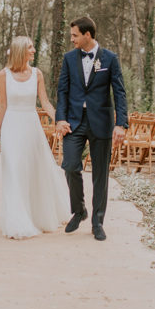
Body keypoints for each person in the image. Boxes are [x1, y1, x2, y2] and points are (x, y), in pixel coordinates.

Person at [55, 16, 128, 241]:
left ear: (88, 35)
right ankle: (79, 211)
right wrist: (60, 119)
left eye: (75, 35)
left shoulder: (110, 59)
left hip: (101, 122)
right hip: (74, 121)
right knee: (69, 164)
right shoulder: (68, 59)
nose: (72, 39)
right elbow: (62, 91)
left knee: (100, 174)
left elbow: (119, 92)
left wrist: (121, 123)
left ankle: (98, 221)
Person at [0, 36, 71, 239]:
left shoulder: (37, 74)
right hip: (11, 127)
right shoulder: (4, 74)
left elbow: (45, 103)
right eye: (30, 47)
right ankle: (17, 221)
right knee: (14, 170)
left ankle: (35, 215)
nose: (34, 50)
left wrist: (59, 120)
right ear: (20, 51)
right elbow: (2, 105)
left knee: (33, 170)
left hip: (31, 126)